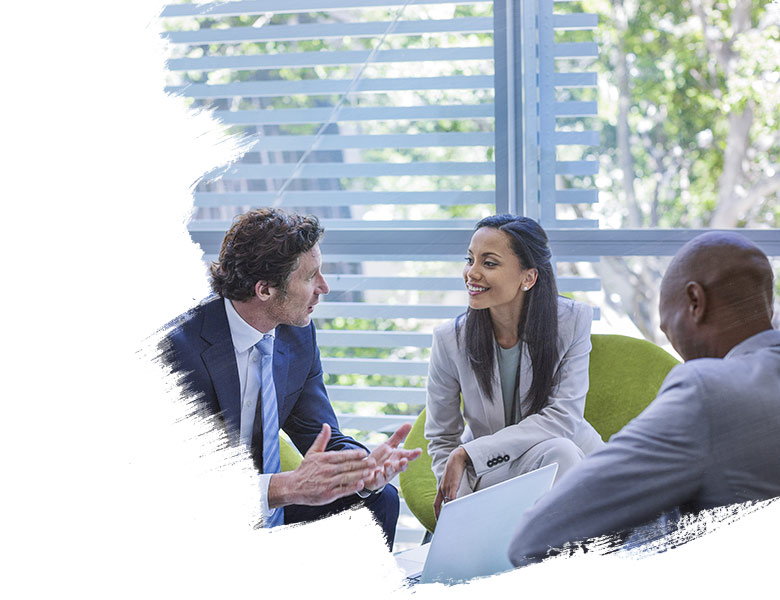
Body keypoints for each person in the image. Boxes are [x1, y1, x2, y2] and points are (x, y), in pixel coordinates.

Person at [508, 231, 780, 567]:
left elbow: (536, 540)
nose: (678, 350)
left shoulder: (705, 391)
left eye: (669, 328)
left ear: (695, 301)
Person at [161, 208, 421, 549]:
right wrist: (285, 487)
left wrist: (362, 469)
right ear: (265, 289)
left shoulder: (296, 336)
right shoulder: (175, 349)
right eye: (311, 277)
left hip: (264, 507)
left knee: (377, 499)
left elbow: (321, 434)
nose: (324, 287)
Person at [425, 215, 604, 518]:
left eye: (489, 263)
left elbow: (562, 419)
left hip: (569, 463)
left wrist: (471, 452)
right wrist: (459, 502)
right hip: (496, 473)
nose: (472, 273)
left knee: (560, 451)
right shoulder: (449, 340)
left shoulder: (572, 322)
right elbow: (443, 437)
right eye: (470, 260)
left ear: (528, 277)